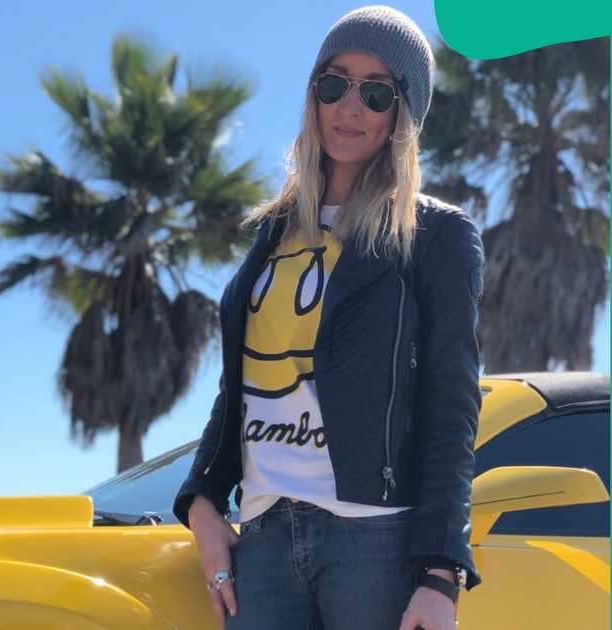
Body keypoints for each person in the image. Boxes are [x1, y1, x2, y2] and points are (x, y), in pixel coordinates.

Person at [172, 6, 484, 630]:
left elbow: (451, 405)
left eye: (376, 93)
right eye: (334, 84)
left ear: (402, 114)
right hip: (262, 537)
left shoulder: (435, 235)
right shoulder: (272, 232)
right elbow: (240, 387)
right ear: (313, 93)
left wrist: (440, 573)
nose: (350, 108)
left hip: (373, 539)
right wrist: (202, 500)